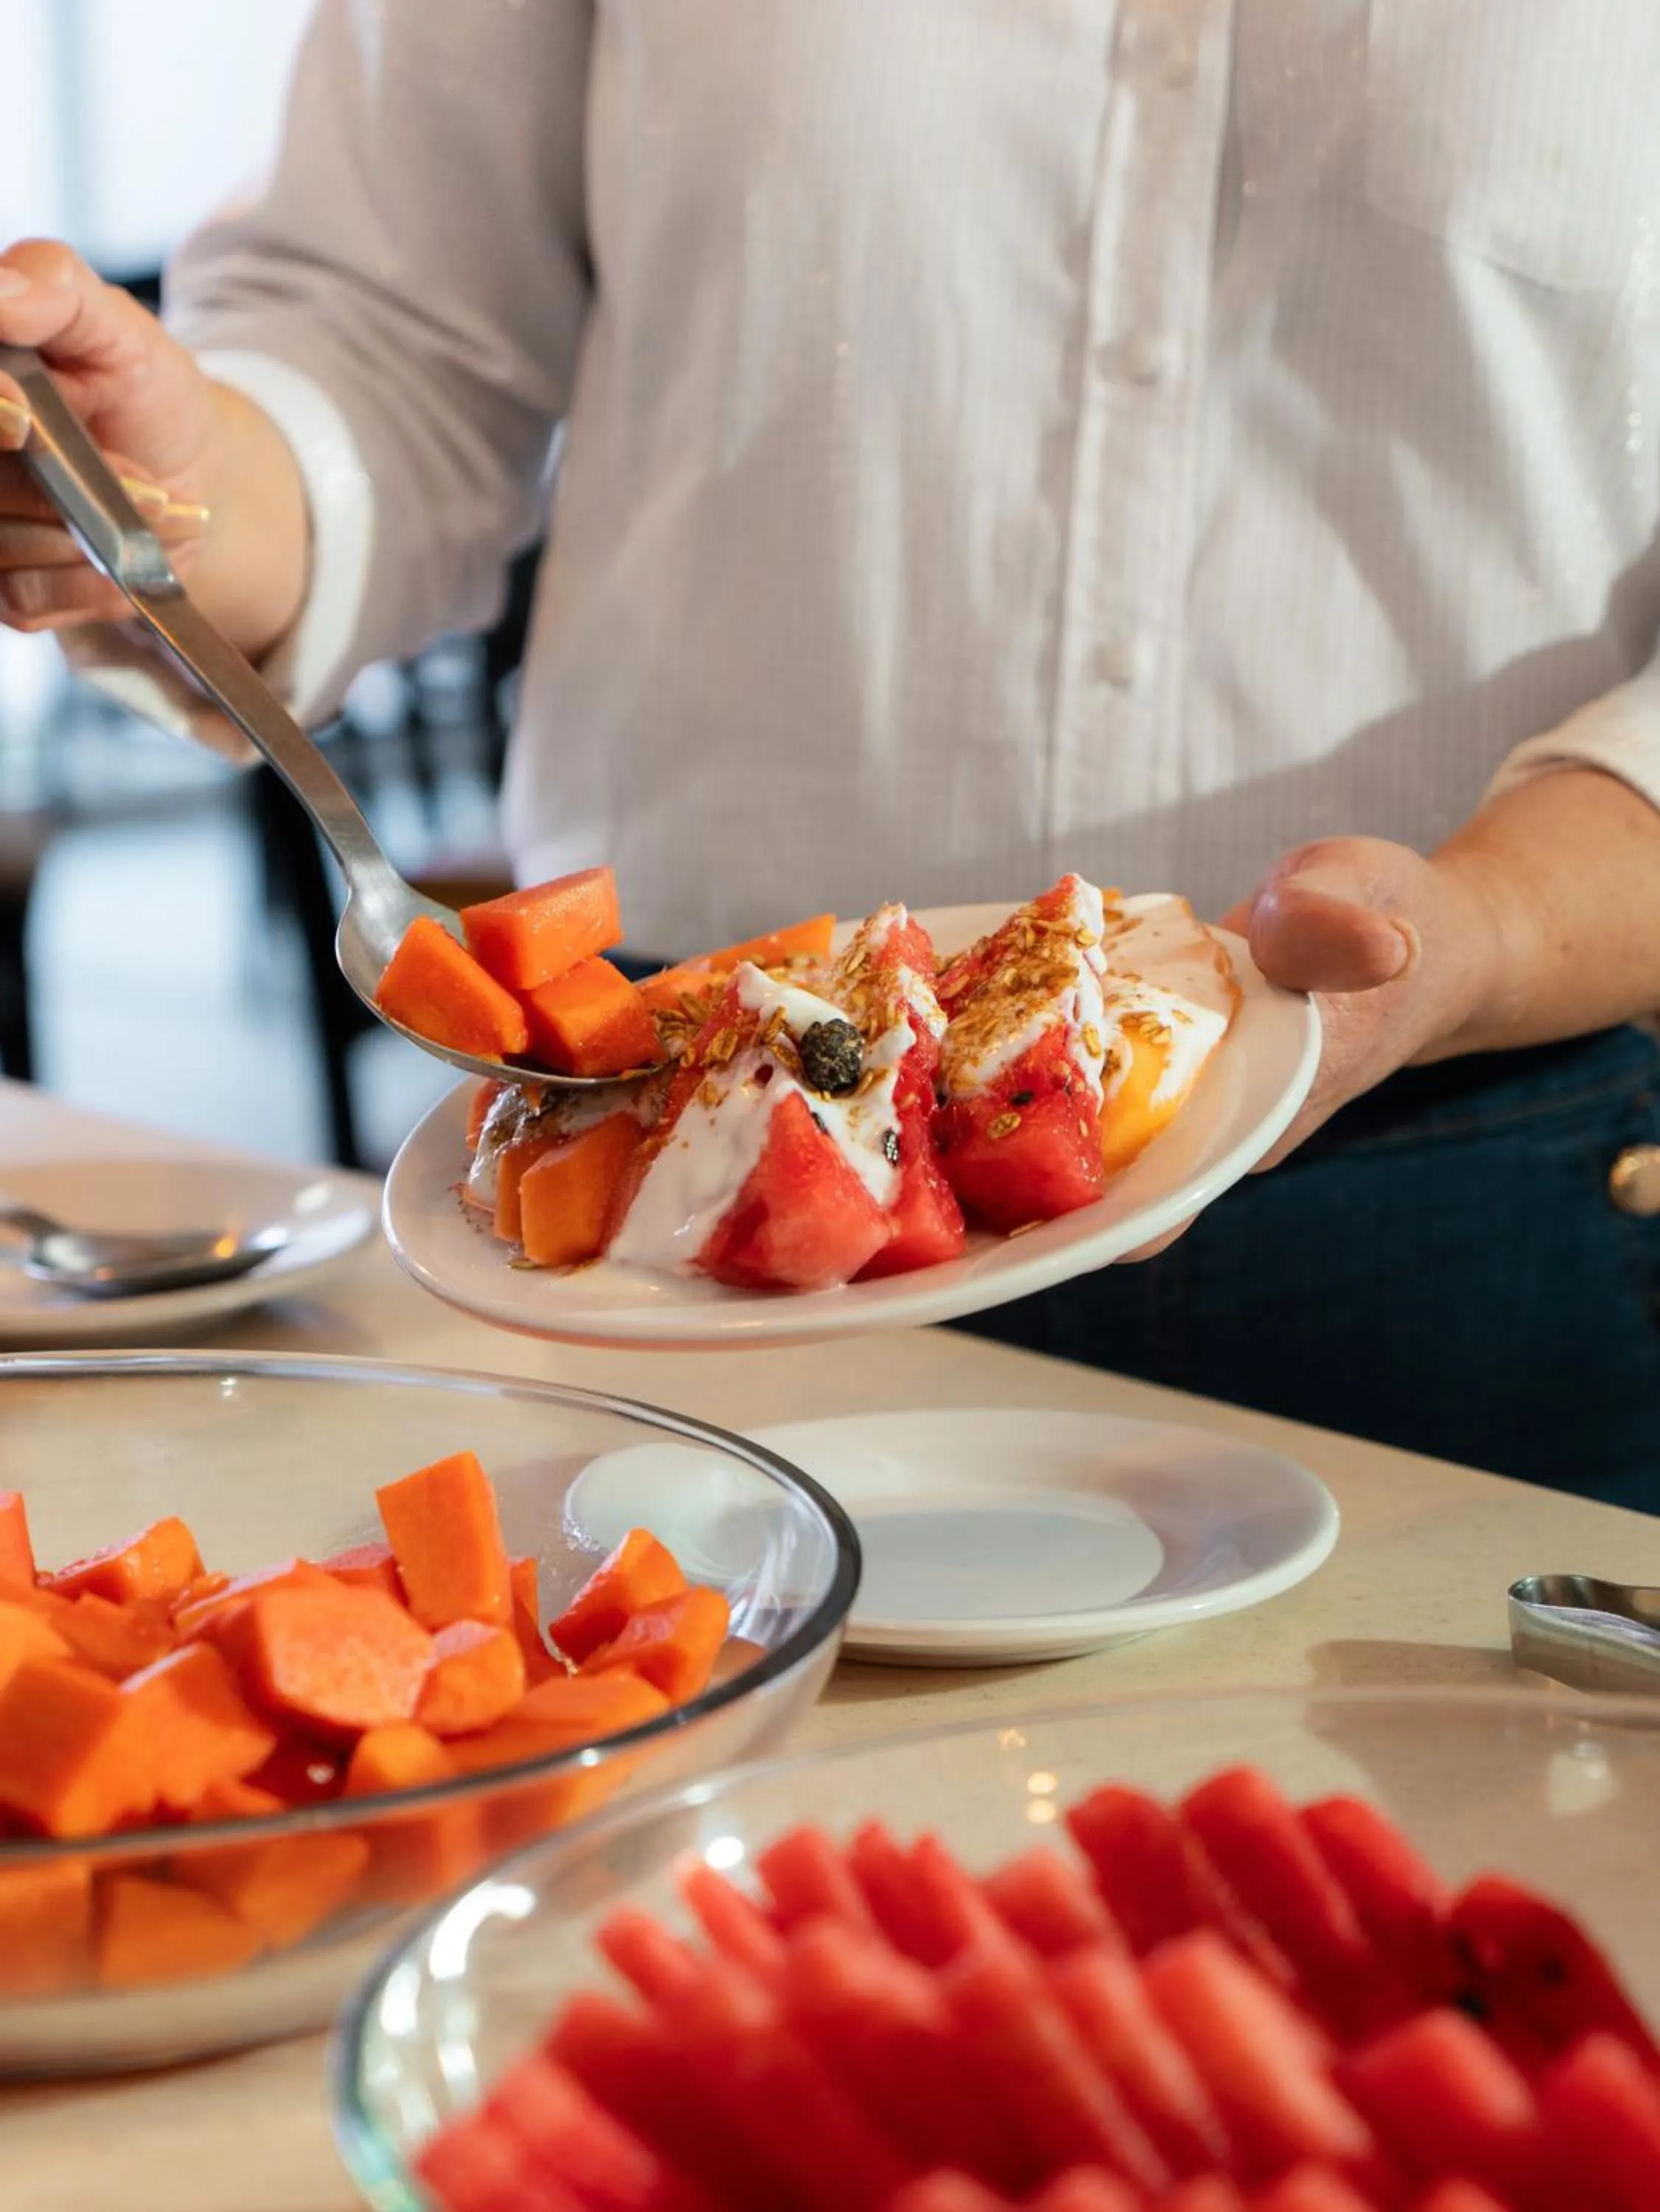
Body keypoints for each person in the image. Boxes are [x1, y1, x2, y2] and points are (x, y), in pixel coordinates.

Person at [2, 3, 1659, 1505]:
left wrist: (1486, 931)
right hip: (677, 1158)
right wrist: (170, 498)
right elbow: (391, 343)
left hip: (1490, 1166)